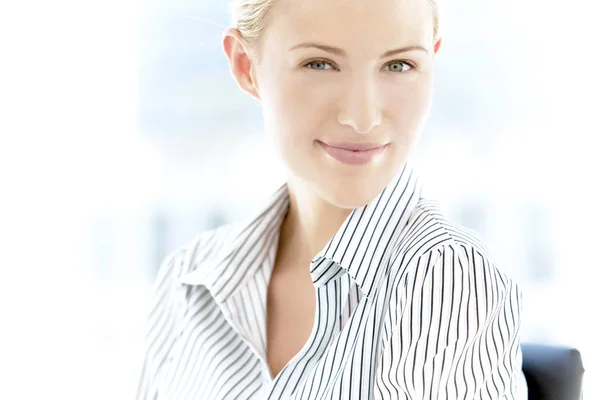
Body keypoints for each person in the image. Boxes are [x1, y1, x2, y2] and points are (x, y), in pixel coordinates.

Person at [136, 0, 528, 398]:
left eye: (398, 65)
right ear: (245, 66)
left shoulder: (447, 277)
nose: (363, 118)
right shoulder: (189, 279)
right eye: (320, 64)